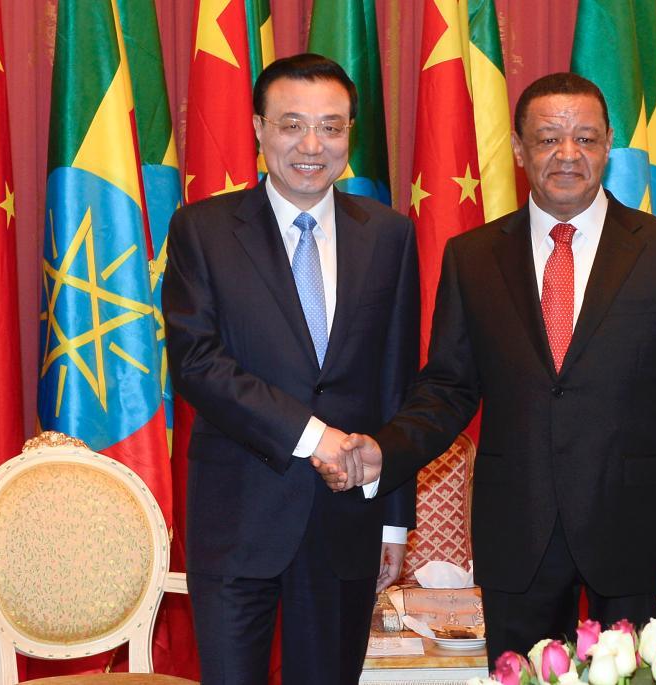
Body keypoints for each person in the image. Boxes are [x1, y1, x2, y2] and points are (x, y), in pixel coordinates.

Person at [315, 72, 656, 666]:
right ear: (518, 148)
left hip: (639, 537)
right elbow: (448, 389)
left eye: (585, 138)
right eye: (549, 138)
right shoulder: (473, 256)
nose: (568, 154)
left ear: (609, 145)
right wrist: (386, 450)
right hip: (518, 532)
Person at [163, 53, 419, 685]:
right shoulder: (203, 229)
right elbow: (197, 362)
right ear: (259, 128)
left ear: (349, 133)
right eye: (292, 125)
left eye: (331, 127)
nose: (311, 146)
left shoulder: (388, 235)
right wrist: (314, 436)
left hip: (346, 521)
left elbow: (396, 382)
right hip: (238, 519)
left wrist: (392, 518)